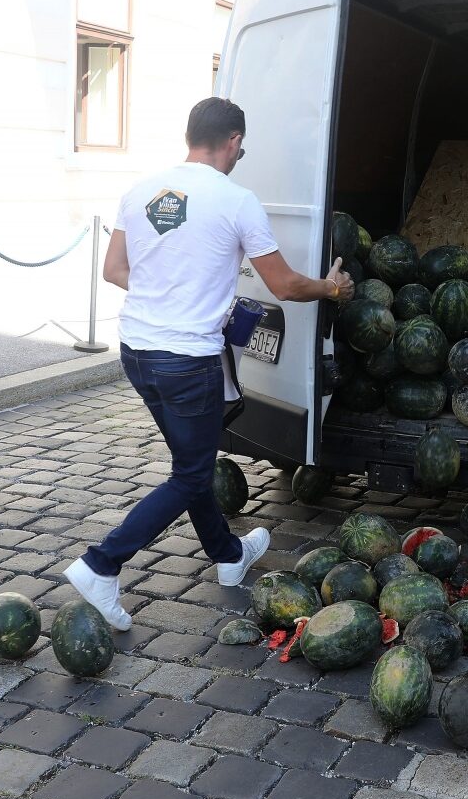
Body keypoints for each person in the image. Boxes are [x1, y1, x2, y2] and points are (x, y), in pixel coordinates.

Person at [63, 98, 354, 630]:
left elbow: (114, 269)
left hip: (137, 353)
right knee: (190, 474)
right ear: (235, 141)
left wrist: (172, 295)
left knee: (190, 464)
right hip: (187, 361)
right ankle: (101, 564)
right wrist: (332, 288)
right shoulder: (237, 201)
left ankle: (226, 557)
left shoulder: (142, 190)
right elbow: (285, 286)